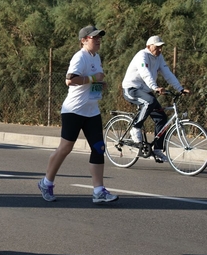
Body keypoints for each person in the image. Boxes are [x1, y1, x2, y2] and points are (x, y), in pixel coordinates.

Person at [38, 25, 119, 203]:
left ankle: (98, 191)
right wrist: (92, 79)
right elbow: (70, 80)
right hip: (74, 111)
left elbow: (94, 80)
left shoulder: (96, 57)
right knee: (65, 148)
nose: (98, 40)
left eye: (99, 37)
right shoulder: (80, 56)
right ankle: (46, 182)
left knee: (99, 148)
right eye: (93, 37)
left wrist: (100, 84)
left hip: (92, 111)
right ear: (83, 40)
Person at [122, 36, 190, 162]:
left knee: (162, 118)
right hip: (132, 89)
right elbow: (144, 72)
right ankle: (136, 128)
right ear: (149, 47)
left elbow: (167, 74)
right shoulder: (141, 55)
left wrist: (180, 88)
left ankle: (158, 150)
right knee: (150, 101)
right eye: (157, 46)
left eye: (161, 47)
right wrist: (155, 87)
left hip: (146, 90)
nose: (160, 49)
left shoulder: (159, 58)